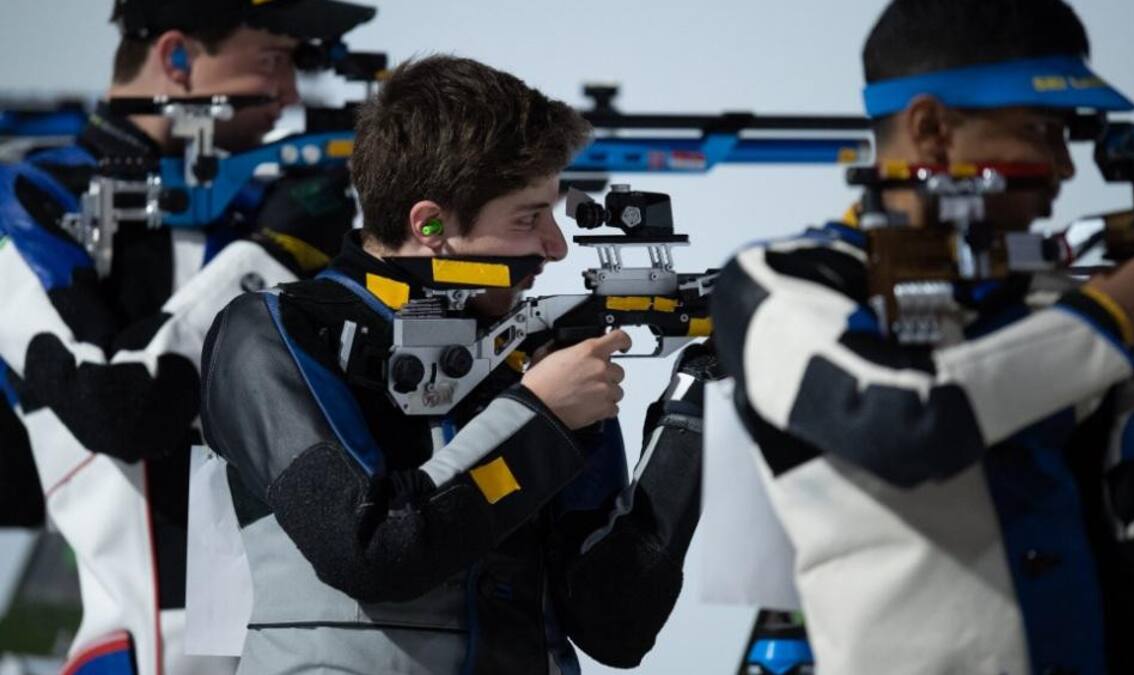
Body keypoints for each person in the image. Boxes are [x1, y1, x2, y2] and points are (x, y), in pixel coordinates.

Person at [712, 1, 1134, 673]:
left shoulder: (1068, 306)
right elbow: (901, 423)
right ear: (932, 129)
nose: (1064, 168)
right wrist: (1105, 323)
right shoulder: (784, 281)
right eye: (1042, 130)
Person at [200, 54, 714, 674]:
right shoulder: (274, 331)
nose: (555, 246)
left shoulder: (531, 353)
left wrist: (693, 409)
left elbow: (615, 625)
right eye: (528, 217)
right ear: (431, 224)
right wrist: (539, 416)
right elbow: (369, 548)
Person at [0, 1, 372, 672]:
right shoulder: (30, 200)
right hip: (143, 650)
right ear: (175, 58)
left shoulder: (262, 208)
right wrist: (269, 257)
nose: (291, 93)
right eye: (273, 60)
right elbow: (119, 406)